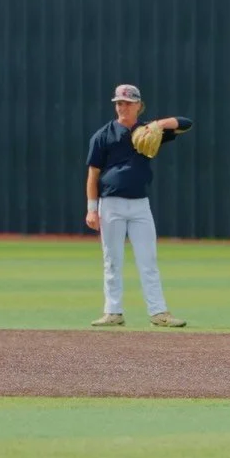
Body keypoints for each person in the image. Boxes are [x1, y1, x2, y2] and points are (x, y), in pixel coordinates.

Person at [85, 83, 193, 328]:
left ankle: (158, 312)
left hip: (140, 205)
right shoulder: (103, 135)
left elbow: (186, 123)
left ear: (138, 106)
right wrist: (92, 208)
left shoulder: (148, 131)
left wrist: (158, 124)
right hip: (110, 203)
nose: (122, 107)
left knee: (148, 260)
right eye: (119, 103)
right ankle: (113, 311)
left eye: (127, 103)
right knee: (112, 259)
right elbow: (93, 174)